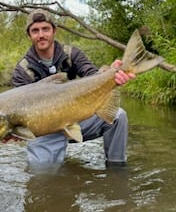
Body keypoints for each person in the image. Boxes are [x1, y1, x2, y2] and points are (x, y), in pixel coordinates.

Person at [12, 9, 135, 167]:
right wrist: (13, 131)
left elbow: (93, 77)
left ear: (54, 31)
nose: (41, 35)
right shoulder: (22, 71)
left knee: (118, 116)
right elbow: (18, 112)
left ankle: (117, 168)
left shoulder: (72, 54)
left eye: (45, 29)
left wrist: (110, 74)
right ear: (29, 35)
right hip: (45, 132)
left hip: (77, 120)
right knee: (42, 178)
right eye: (35, 31)